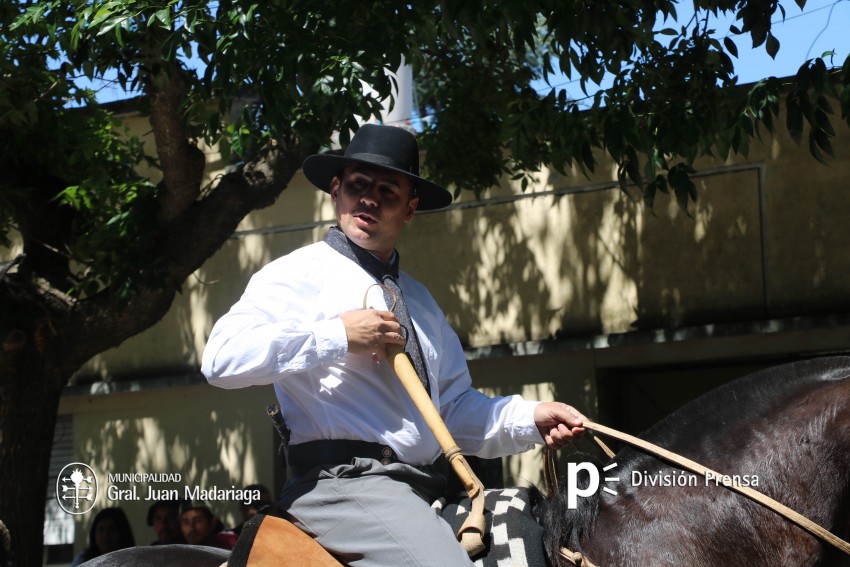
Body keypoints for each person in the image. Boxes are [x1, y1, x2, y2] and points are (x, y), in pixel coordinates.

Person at [202, 123, 587, 566]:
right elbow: (220, 360)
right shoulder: (297, 273)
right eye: (358, 185)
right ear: (335, 191)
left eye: (388, 190)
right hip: (341, 486)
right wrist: (338, 335)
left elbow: (452, 413)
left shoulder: (421, 302)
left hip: (422, 489)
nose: (369, 198)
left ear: (409, 208)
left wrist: (531, 417)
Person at [70, 507, 135, 566]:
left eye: (112, 529)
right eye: (101, 530)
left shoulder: (133, 560)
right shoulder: (82, 559)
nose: (105, 535)